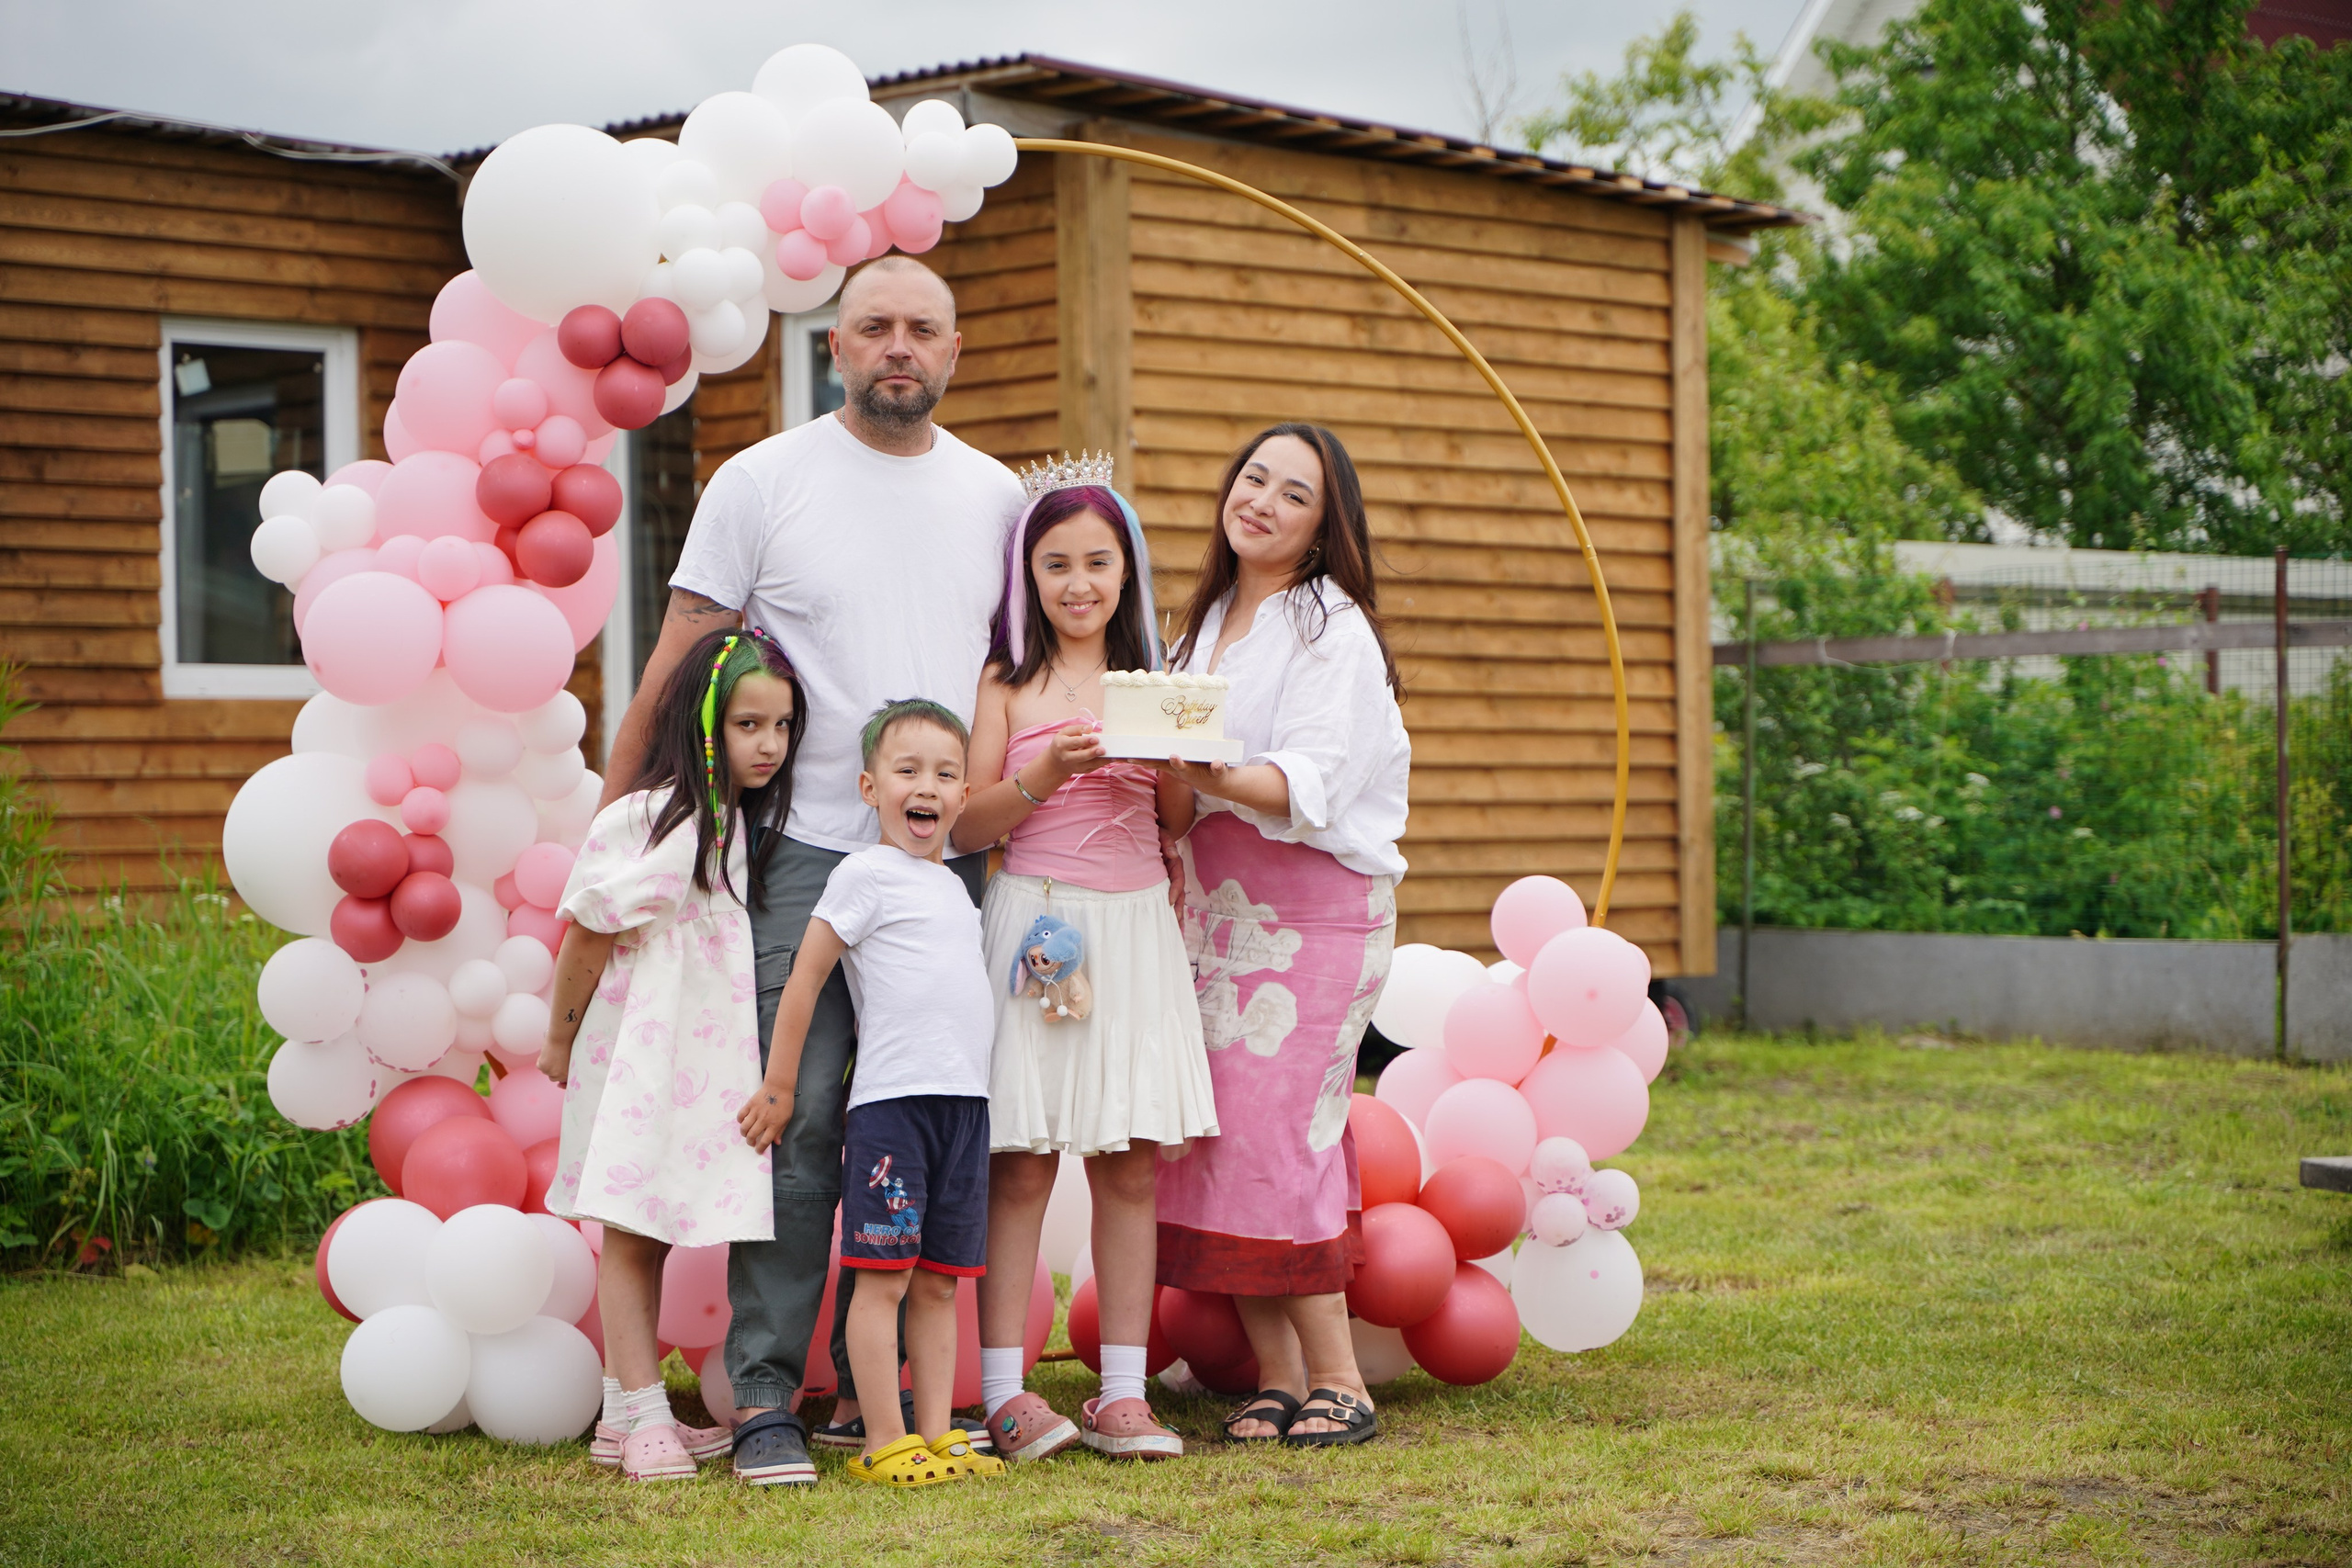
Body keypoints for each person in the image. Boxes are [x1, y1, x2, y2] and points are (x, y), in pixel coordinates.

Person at [604, 257, 1025, 1485]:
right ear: (833, 345)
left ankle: (893, 1392)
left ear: (956, 350)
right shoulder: (764, 480)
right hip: (802, 855)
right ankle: (770, 1393)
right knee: (795, 1118)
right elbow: (685, 649)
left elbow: (1021, 675)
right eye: (876, 326)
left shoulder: (996, 496)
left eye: (925, 329)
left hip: (954, 867)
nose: (901, 346)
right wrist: (622, 814)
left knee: (931, 1115)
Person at [951, 470, 1218, 1462]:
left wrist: (1181, 763)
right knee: (1021, 1164)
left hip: (1137, 922)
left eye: (1097, 563)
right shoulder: (1006, 682)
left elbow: (1178, 820)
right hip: (1045, 930)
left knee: (1129, 1161)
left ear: (1127, 572)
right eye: (1055, 563)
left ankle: (1119, 1393)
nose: (1077, 582)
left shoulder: (1156, 683)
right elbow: (967, 821)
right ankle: (1005, 1394)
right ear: (1028, 574)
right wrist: (1041, 775)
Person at [1153, 423, 1410, 1448]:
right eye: (1252, 477)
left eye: (1291, 493)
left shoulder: (1331, 630)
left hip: (1316, 910)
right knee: (1217, 1136)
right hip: (1211, 906)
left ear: (1321, 525)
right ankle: (1276, 1374)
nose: (1259, 500)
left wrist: (1201, 767)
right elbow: (1178, 794)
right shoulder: (1204, 620)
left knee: (1286, 1136)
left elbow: (1310, 786)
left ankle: (1341, 1380)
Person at [537, 628, 807, 1482]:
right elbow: (586, 930)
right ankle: (647, 1410)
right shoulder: (654, 819)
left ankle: (624, 1413)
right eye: (747, 725)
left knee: (651, 1226)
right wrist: (558, 1036)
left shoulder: (730, 820)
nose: (768, 745)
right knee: (630, 1225)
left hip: (690, 1054)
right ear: (703, 725)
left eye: (783, 726)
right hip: (637, 1055)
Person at [739, 699, 1003, 1488]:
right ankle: (882, 1438)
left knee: (938, 1278)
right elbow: (808, 976)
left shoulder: (957, 889)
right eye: (908, 770)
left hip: (964, 1107)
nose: (927, 786)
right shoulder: (861, 874)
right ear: (868, 786)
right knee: (883, 1274)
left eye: (946, 774)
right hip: (894, 1106)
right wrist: (780, 1083)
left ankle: (934, 1431)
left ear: (963, 797)